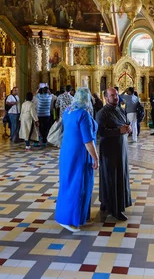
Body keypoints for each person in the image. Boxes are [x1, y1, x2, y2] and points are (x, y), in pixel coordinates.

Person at [55, 88, 99, 233]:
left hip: (67, 153)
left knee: (69, 184)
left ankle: (80, 217)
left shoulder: (68, 111)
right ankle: (69, 220)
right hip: (80, 154)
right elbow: (88, 141)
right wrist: (96, 157)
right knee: (77, 185)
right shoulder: (83, 114)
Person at [96, 87, 132, 221]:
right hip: (109, 151)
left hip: (121, 150)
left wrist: (128, 128)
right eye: (112, 96)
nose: (115, 97)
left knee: (120, 176)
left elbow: (124, 123)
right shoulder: (102, 113)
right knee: (111, 178)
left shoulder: (119, 109)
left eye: (116, 95)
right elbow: (101, 132)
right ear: (106, 98)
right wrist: (119, 131)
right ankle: (114, 209)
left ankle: (107, 203)